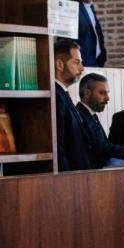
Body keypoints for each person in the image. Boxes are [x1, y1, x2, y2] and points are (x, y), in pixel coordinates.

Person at [76, 73, 124, 167]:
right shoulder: (79, 116)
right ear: (87, 93)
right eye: (102, 93)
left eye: (107, 93)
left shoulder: (91, 115)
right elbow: (98, 146)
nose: (107, 98)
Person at [53, 39, 89, 172]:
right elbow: (59, 147)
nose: (82, 68)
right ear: (59, 64)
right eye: (77, 62)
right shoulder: (56, 97)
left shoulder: (63, 94)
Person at [68, 0, 106, 67]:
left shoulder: (88, 4)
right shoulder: (70, 6)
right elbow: (66, 41)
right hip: (82, 64)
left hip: (95, 62)